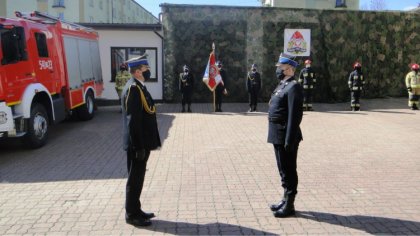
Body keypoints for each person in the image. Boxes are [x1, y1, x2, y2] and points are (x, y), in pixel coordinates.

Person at [121, 54, 161, 227]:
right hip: (138, 143)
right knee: (134, 178)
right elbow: (133, 120)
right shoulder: (134, 89)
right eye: (146, 69)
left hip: (142, 141)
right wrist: (138, 146)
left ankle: (137, 209)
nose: (148, 71)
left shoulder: (139, 86)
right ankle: (131, 214)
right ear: (137, 72)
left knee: (138, 177)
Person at [268, 53, 303, 218]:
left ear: (289, 69)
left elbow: (294, 116)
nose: (278, 70)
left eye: (280, 68)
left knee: (288, 169)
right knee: (282, 169)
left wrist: (289, 139)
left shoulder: (293, 86)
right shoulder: (282, 85)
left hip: (285, 135)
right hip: (277, 133)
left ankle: (290, 204)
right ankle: (285, 198)